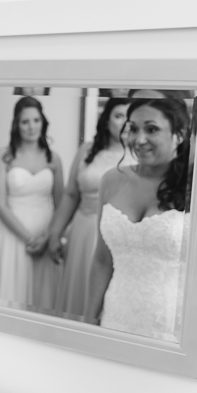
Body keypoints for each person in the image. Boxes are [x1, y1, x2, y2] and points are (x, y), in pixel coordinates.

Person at [88, 99, 191, 341]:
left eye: (151, 129)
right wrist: (89, 322)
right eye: (133, 128)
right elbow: (102, 261)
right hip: (115, 316)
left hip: (169, 327)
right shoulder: (111, 180)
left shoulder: (195, 186)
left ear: (179, 134)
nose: (139, 139)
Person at [47, 98, 136, 321]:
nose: (125, 122)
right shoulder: (87, 150)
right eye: (118, 116)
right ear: (106, 121)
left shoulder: (138, 154)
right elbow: (70, 195)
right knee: (78, 293)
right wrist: (55, 234)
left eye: (129, 117)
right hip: (83, 230)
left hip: (117, 235)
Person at [0, 97, 63, 310]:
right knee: (11, 296)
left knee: (42, 298)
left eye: (36, 120)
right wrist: (29, 239)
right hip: (12, 233)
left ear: (43, 122)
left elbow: (62, 204)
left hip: (45, 234)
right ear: (16, 125)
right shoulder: (4, 156)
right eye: (25, 121)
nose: (31, 127)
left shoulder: (53, 158)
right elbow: (0, 204)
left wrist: (47, 237)